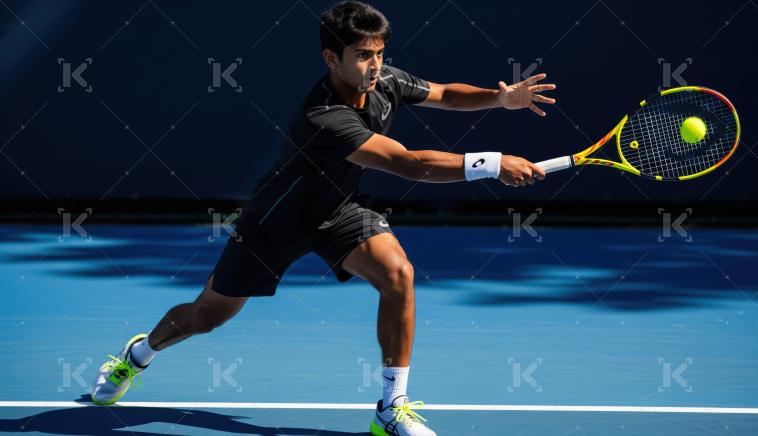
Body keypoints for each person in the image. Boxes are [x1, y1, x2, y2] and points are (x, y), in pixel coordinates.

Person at [90, 2, 556, 435]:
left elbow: (445, 95)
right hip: (275, 222)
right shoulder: (323, 117)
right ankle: (137, 355)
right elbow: (409, 164)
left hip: (339, 210)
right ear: (331, 58)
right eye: (361, 56)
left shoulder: (384, 81)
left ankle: (391, 407)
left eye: (379, 53)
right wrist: (494, 163)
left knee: (398, 274)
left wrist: (500, 99)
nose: (373, 65)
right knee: (204, 317)